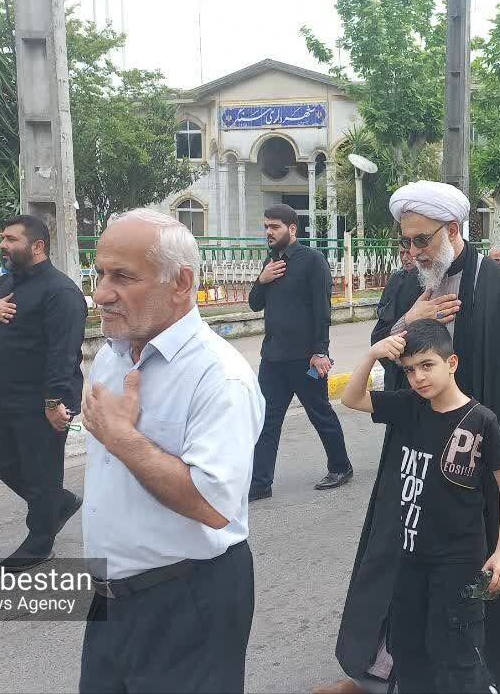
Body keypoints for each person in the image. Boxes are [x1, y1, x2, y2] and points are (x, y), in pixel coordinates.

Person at [332, 181, 500, 694]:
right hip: (416, 448)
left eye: (422, 240)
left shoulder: (499, 286)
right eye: (406, 242)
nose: (414, 253)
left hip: (478, 454)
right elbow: (380, 348)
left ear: (453, 230)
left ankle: (488, 671)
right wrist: (409, 320)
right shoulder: (406, 286)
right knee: (403, 555)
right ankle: (394, 666)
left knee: (472, 569)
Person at [79, 209, 263, 694]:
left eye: (123, 277)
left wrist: (123, 439)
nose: (101, 293)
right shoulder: (111, 357)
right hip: (109, 598)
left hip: (186, 601)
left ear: (180, 283)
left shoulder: (219, 377)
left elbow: (213, 505)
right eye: (100, 274)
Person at [340, 320, 500, 694]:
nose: (418, 377)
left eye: (427, 365)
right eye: (409, 370)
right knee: (408, 649)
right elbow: (352, 398)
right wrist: (372, 354)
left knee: (458, 651)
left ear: (451, 363)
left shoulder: (480, 420)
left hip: (459, 563)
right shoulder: (410, 406)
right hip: (408, 559)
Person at [0, 214, 86, 571]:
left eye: (11, 239)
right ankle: (57, 503)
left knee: (42, 471)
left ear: (37, 246)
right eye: (2, 237)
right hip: (2, 397)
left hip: (41, 402)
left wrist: (54, 401)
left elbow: (63, 354)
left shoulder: (61, 292)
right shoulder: (7, 281)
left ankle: (40, 542)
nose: (2, 244)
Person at [248, 204, 352, 499]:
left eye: (274, 227)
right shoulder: (270, 262)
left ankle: (341, 466)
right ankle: (260, 483)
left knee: (320, 413)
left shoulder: (312, 261)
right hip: (272, 359)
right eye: (266, 227)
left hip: (305, 358)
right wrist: (262, 279)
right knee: (266, 421)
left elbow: (322, 309)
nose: (268, 232)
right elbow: (254, 304)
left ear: (292, 229)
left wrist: (321, 352)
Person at [373, 245, 420, 392]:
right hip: (393, 359)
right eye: (401, 253)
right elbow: (382, 310)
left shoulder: (429, 281)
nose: (405, 258)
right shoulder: (396, 278)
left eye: (409, 253)